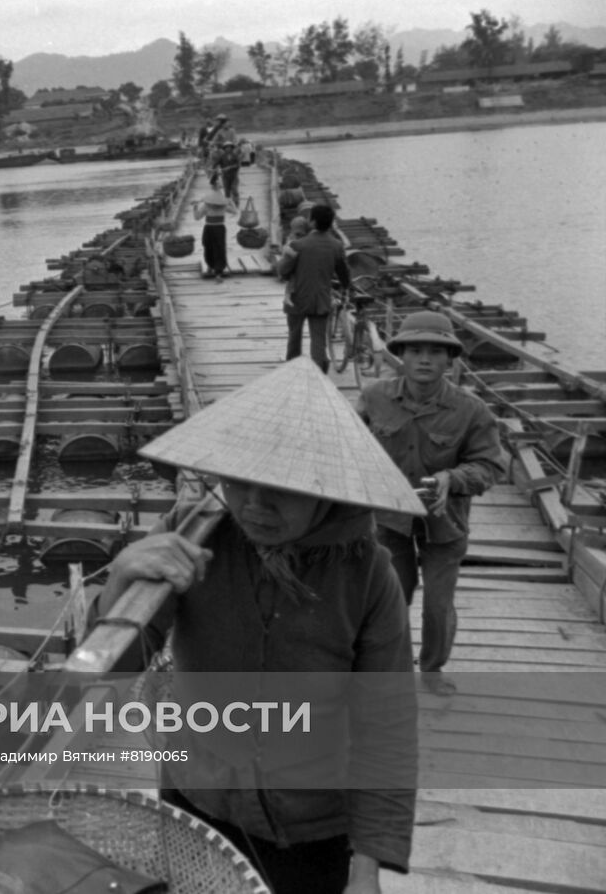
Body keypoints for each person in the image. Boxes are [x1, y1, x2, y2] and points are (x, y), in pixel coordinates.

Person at [99, 357, 420, 894]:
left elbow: (385, 723)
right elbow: (120, 664)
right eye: (238, 482)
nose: (253, 505)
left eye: (280, 488)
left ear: (325, 487)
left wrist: (367, 866)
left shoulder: (367, 574)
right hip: (197, 800)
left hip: (311, 823)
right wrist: (121, 578)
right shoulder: (192, 535)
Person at [358, 311, 507, 696]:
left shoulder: (471, 410)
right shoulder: (375, 397)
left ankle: (432, 671)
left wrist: (452, 478)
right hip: (389, 521)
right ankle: (387, 670)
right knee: (391, 598)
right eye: (415, 351)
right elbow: (350, 446)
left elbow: (491, 465)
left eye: (435, 352)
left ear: (450, 359)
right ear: (401, 355)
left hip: (445, 524)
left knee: (438, 606)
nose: (425, 360)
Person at [276, 203, 350, 373]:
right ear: (330, 223)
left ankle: (292, 370)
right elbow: (343, 273)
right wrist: (346, 287)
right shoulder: (336, 246)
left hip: (296, 298)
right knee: (318, 341)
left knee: (294, 337)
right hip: (320, 299)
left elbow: (283, 270)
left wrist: (285, 260)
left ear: (313, 222)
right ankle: (319, 373)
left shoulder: (298, 245)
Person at [192, 175, 237, 279]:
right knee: (219, 249)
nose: (221, 182)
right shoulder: (223, 203)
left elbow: (197, 217)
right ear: (217, 184)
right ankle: (218, 271)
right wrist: (231, 202)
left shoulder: (208, 204)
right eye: (219, 181)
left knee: (209, 248)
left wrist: (195, 207)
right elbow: (234, 211)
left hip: (209, 228)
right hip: (219, 228)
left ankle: (211, 267)